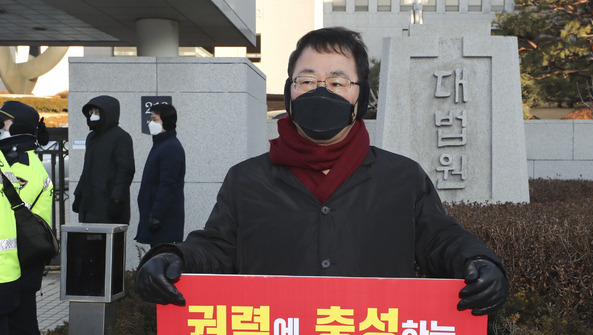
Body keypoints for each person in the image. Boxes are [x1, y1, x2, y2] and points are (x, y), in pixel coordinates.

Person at [135, 27, 508, 315]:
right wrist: (174, 258)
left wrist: (479, 263)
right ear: (290, 90)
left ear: (360, 96)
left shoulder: (403, 178)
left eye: (337, 82)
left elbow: (438, 240)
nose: (320, 92)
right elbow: (218, 248)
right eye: (308, 80)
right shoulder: (246, 179)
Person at [0, 101, 52, 335]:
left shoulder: (21, 165)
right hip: (23, 261)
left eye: (2, 124)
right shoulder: (22, 161)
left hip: (18, 263)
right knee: (21, 331)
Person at [73, 95, 135, 224]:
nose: (93, 115)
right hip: (89, 204)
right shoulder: (91, 137)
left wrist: (116, 200)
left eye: (97, 112)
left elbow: (125, 171)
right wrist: (78, 195)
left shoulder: (121, 137)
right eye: (91, 112)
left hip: (108, 205)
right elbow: (86, 170)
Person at [135, 103, 186, 246]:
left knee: (163, 260)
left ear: (166, 121)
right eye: (151, 119)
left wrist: (156, 215)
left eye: (155, 119)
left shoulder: (170, 147)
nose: (151, 123)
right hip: (157, 219)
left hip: (164, 222)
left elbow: (167, 185)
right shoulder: (161, 145)